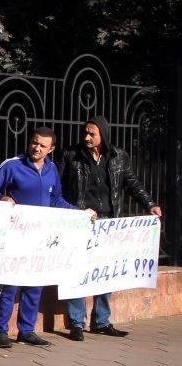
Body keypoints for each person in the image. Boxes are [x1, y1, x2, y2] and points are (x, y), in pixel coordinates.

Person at [0, 127, 95, 349]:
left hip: (41, 238)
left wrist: (80, 213)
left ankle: (26, 331)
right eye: (34, 142)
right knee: (10, 283)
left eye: (43, 145)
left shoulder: (52, 170)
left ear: (51, 149)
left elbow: (56, 200)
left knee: (35, 284)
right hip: (15, 236)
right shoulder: (13, 165)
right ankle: (0, 331)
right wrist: (1, 197)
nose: (37, 148)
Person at [59, 116, 162, 341]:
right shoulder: (71, 155)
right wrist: (73, 210)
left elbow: (132, 183)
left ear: (103, 135)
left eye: (92, 134)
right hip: (81, 220)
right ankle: (76, 323)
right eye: (85, 133)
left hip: (108, 222)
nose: (87, 137)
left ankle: (102, 321)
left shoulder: (118, 157)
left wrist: (150, 204)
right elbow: (58, 185)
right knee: (77, 270)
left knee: (105, 272)